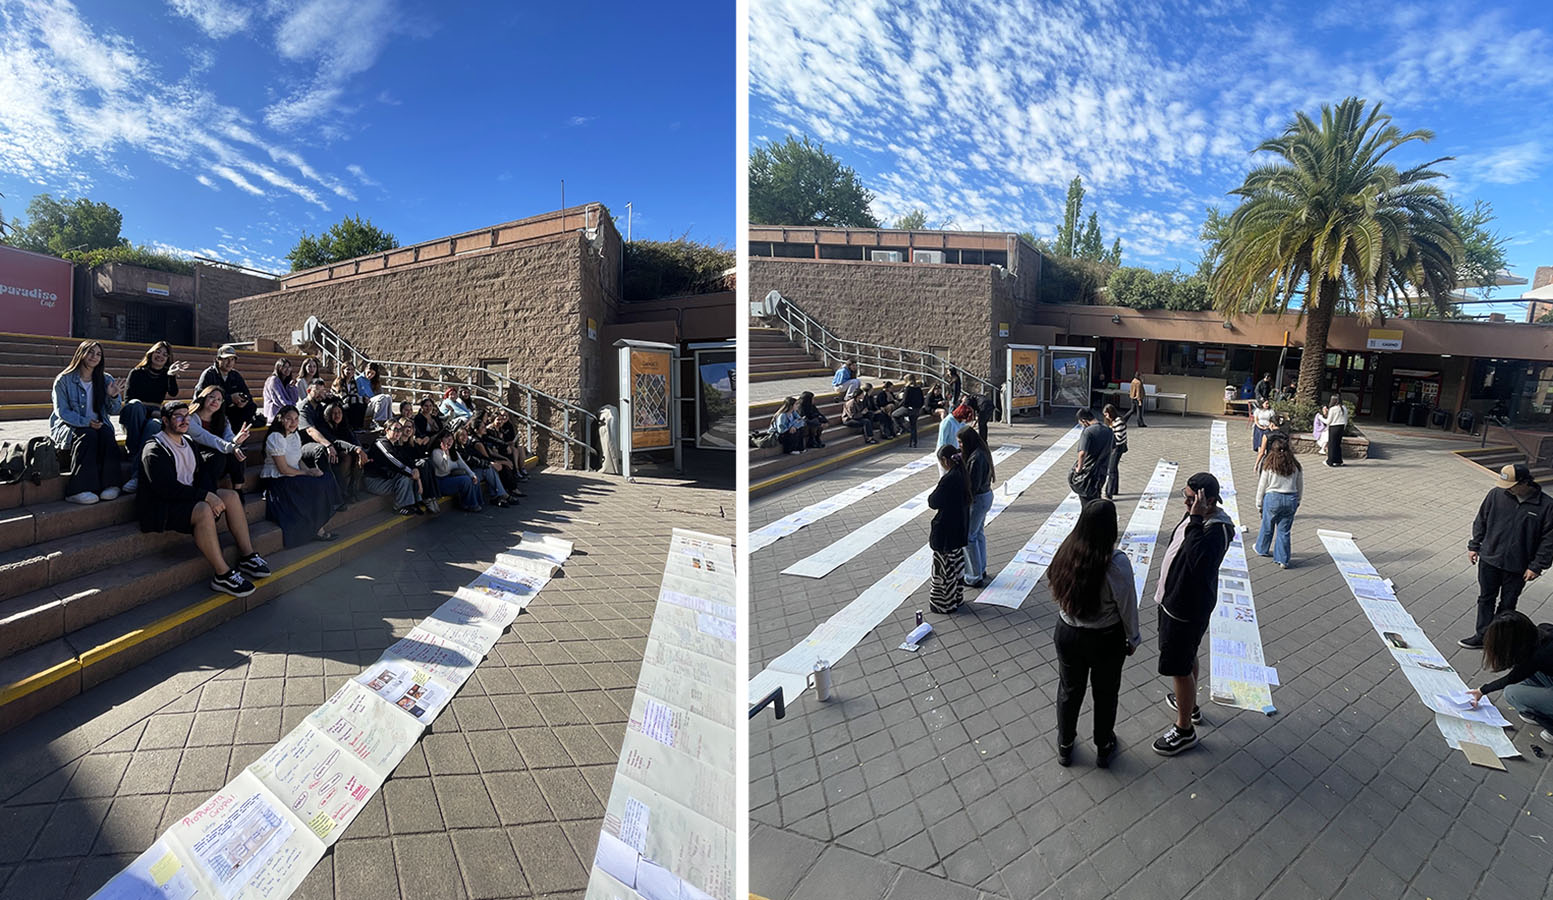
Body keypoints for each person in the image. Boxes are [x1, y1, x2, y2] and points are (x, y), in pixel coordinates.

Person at [137, 399, 270, 597]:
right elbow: (166, 489)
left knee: (231, 496)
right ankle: (222, 574)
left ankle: (247, 555)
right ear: (165, 420)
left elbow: (202, 476)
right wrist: (206, 497)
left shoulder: (188, 442)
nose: (184, 421)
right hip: (163, 507)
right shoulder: (154, 449)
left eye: (187, 416)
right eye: (178, 417)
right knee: (203, 509)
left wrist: (209, 494)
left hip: (188, 497)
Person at [1046, 499, 1139, 767]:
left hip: (1067, 633)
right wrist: (1133, 638)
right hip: (1105, 639)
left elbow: (1052, 579)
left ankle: (1065, 744)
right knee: (1106, 692)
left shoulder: (1066, 550)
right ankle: (1103, 744)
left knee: (1069, 689)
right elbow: (1127, 604)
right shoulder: (1116, 562)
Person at [1152, 473, 1236, 756]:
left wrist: (1197, 519)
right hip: (1173, 600)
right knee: (1187, 659)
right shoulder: (1195, 516)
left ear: (1208, 501)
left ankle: (1184, 729)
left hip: (1185, 609)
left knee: (1178, 666)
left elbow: (1200, 563)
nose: (1186, 503)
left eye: (1191, 498)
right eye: (1186, 497)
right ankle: (1189, 703)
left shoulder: (1216, 528)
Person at [1460, 464, 1553, 649]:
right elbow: (1481, 520)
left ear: (1525, 483)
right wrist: (1474, 545)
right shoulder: (1496, 495)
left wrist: (1536, 566)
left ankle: (1498, 640)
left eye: (1511, 485)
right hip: (1490, 558)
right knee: (1486, 598)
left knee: (1508, 604)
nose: (1507, 489)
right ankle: (1482, 635)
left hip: (1519, 565)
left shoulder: (1546, 506)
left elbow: (1549, 539)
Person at [51, 340, 127, 505]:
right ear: (81, 353)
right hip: (70, 426)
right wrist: (86, 422)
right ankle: (77, 490)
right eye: (90, 352)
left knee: (107, 434)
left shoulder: (106, 379)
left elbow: (113, 411)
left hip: (98, 424)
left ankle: (112, 485)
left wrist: (113, 396)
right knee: (88, 435)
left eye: (98, 354)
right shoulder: (64, 379)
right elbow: (62, 412)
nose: (94, 357)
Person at [261, 405, 341, 546]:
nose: (293, 422)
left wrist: (310, 471)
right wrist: (307, 473)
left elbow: (298, 460)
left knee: (325, 478)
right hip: (278, 480)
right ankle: (318, 530)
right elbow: (283, 469)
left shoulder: (295, 435)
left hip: (294, 474)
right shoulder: (275, 437)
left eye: (296, 419)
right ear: (280, 419)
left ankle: (318, 524)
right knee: (315, 485)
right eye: (289, 419)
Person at [1467, 611, 1553, 742]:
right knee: (1524, 680)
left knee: (1512, 693)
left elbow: (1511, 679)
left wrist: (1482, 690)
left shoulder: (1538, 656)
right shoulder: (1543, 631)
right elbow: (1520, 673)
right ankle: (1540, 709)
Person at [121, 341, 189, 491]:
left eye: (165, 354)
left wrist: (171, 376)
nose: (161, 356)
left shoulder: (166, 375)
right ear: (151, 353)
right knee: (136, 405)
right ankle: (132, 451)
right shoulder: (136, 372)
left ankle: (137, 475)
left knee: (154, 424)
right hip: (134, 416)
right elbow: (128, 401)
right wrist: (152, 410)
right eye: (158, 352)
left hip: (151, 418)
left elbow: (173, 393)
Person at [928, 444, 972, 614]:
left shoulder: (949, 479)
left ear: (945, 461)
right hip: (959, 528)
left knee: (943, 569)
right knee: (956, 566)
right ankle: (957, 598)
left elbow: (933, 501)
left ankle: (944, 603)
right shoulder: (963, 473)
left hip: (946, 530)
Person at [365, 418, 437, 514]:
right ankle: (400, 506)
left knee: (412, 471)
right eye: (395, 429)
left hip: (386, 478)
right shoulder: (381, 443)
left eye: (400, 430)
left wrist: (414, 469)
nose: (398, 432)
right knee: (405, 476)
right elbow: (394, 461)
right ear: (387, 430)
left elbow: (405, 459)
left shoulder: (394, 444)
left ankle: (415, 503)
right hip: (375, 481)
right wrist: (413, 474)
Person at [187, 385, 251, 494]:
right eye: (211, 397)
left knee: (238, 452)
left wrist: (236, 440)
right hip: (197, 454)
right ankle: (209, 491)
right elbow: (206, 437)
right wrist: (232, 447)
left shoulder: (222, 419)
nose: (215, 401)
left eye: (219, 399)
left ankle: (238, 489)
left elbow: (228, 437)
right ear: (203, 398)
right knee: (218, 456)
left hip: (217, 452)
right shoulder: (191, 418)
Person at [1254, 434, 1303, 569]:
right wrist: (1298, 501)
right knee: (1284, 530)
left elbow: (1262, 487)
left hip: (1273, 498)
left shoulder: (1269, 466)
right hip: (1290, 498)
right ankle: (1283, 559)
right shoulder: (1296, 466)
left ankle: (1262, 548)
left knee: (1267, 526)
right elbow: (1300, 486)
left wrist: (1259, 503)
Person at [958, 426, 996, 589]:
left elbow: (972, 485)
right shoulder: (982, 452)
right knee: (978, 534)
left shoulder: (975, 458)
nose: (959, 445)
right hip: (985, 496)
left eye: (960, 442)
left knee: (969, 537)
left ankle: (973, 576)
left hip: (978, 499)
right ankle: (980, 569)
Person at [194, 344, 258, 430]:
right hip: (214, 409)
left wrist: (243, 401)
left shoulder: (235, 375)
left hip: (231, 409)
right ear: (218, 359)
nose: (230, 363)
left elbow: (248, 395)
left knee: (251, 406)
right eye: (226, 359)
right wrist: (230, 398)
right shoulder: (209, 374)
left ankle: (237, 437)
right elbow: (199, 396)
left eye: (232, 359)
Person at [454, 427, 514, 507]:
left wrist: (491, 463)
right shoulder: (457, 449)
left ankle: (498, 496)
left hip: (473, 471)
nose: (465, 437)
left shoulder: (467, 446)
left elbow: (480, 456)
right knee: (489, 468)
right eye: (462, 435)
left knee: (489, 469)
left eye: (466, 435)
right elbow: (473, 460)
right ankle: (500, 495)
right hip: (466, 474)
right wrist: (490, 464)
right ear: (457, 437)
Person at [430, 431, 483, 511]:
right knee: (465, 480)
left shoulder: (454, 452)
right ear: (440, 440)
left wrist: (473, 475)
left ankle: (478, 502)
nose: (450, 441)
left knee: (474, 479)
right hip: (441, 481)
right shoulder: (436, 452)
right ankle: (470, 505)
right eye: (447, 438)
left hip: (451, 478)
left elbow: (463, 465)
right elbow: (444, 469)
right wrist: (445, 453)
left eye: (451, 439)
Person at [1072, 408, 1114, 503]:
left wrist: (1079, 468)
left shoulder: (1088, 432)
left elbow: (1082, 453)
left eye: (1081, 424)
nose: (1082, 426)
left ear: (1084, 420)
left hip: (1088, 472)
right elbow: (1113, 448)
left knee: (1086, 501)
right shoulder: (1108, 430)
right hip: (1102, 471)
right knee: (1096, 496)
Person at [1102, 403, 1132, 500]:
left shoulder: (1118, 421)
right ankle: (1114, 489)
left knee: (1111, 470)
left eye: (1107, 414)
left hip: (1117, 447)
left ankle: (1109, 492)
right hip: (1113, 447)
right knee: (1114, 468)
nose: (1106, 417)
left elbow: (1118, 438)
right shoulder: (1111, 421)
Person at [262, 358, 302, 423]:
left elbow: (295, 399)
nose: (287, 369)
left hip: (286, 415)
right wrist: (292, 410)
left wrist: (291, 387)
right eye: (284, 367)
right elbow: (279, 399)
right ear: (278, 368)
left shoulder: (287, 381)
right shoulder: (273, 380)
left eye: (289, 367)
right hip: (275, 416)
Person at [333, 363, 369, 431]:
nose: (350, 372)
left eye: (352, 370)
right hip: (339, 403)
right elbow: (344, 398)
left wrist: (364, 399)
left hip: (349, 402)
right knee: (355, 404)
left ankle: (358, 427)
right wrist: (362, 398)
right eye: (348, 369)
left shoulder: (352, 382)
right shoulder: (339, 382)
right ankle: (353, 426)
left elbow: (355, 394)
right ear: (343, 370)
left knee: (362, 404)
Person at [896, 375, 925, 448]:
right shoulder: (918, 389)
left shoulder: (907, 389)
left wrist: (899, 405)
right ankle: (914, 442)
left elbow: (905, 401)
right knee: (913, 426)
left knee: (894, 415)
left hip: (908, 408)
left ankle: (902, 428)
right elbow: (922, 400)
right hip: (917, 409)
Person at [1324, 395, 1349, 467]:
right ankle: (1338, 460)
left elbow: (1328, 421)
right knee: (1337, 444)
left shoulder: (1333, 409)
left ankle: (1330, 461)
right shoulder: (1344, 408)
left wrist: (1320, 417)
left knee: (1331, 444)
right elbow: (1345, 419)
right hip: (1341, 427)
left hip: (1334, 427)